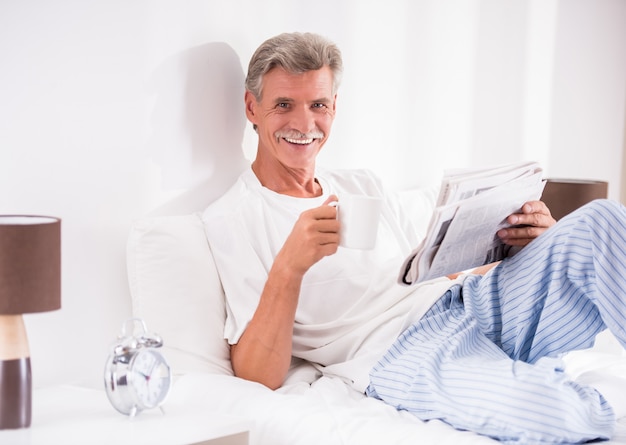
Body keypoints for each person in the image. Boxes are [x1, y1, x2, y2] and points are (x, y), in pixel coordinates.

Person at [202, 32, 626, 443]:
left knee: (600, 220)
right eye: (283, 105)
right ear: (252, 108)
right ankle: (517, 381)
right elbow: (257, 376)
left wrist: (531, 246)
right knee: (562, 411)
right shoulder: (233, 217)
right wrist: (290, 266)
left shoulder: (361, 184)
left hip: (467, 302)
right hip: (402, 354)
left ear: (334, 107)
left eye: (317, 104)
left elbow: (425, 273)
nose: (304, 123)